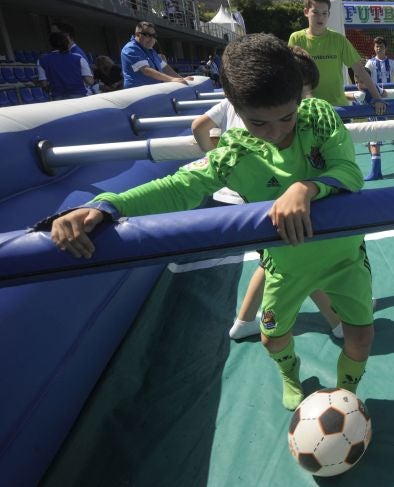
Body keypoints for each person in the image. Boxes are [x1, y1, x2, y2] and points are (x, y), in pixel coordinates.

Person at [47, 33, 374, 411]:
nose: (277, 131)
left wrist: (305, 188)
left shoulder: (317, 116)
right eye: (259, 122)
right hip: (285, 265)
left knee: (362, 335)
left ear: (300, 98)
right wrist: (108, 205)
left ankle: (348, 391)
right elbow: (178, 187)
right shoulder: (235, 152)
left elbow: (349, 171)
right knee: (271, 339)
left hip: (344, 259)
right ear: (233, 105)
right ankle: (289, 374)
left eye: (287, 115)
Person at [189, 47, 344, 342]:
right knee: (295, 258)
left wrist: (215, 157)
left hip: (243, 195)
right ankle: (336, 320)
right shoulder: (272, 119)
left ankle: (245, 319)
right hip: (260, 195)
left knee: (273, 257)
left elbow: (199, 127)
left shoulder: (234, 102)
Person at [287, 0, 385, 112]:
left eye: (324, 13)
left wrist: (377, 98)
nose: (320, 17)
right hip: (310, 110)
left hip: (339, 110)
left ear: (329, 14)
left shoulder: (339, 40)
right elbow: (292, 75)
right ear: (306, 12)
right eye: (315, 12)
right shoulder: (296, 38)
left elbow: (360, 70)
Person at [361, 36, 394, 181]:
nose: (379, 49)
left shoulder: (390, 62)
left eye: (381, 47)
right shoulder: (370, 63)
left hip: (384, 98)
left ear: (386, 48)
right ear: (374, 48)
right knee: (373, 135)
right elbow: (363, 78)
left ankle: (376, 170)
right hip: (373, 98)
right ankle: (376, 168)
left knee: (375, 134)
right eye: (377, 47)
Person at [121, 21, 192, 88]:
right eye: (148, 35)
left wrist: (181, 78)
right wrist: (172, 79)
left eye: (154, 35)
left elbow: (165, 67)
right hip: (138, 93)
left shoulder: (150, 50)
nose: (152, 38)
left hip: (153, 90)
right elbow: (146, 70)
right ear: (137, 34)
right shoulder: (130, 48)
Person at [36, 32, 94, 99]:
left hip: (58, 98)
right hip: (80, 96)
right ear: (67, 43)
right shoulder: (78, 58)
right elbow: (90, 81)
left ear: (51, 44)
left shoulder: (42, 60)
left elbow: (44, 84)